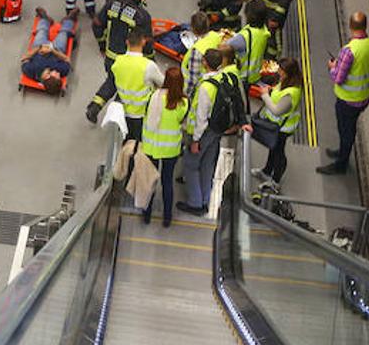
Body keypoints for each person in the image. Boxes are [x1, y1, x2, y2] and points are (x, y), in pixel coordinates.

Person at [178, 48, 248, 215]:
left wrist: (195, 141)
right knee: (207, 165)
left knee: (191, 165)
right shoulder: (224, 77)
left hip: (204, 132)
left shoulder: (205, 87)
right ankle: (205, 199)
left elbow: (201, 117)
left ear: (205, 63)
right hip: (217, 129)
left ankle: (195, 203)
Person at [318, 12, 369, 175]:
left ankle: (341, 164)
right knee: (350, 128)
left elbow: (338, 79)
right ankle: (342, 152)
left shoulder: (349, 51)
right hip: (364, 97)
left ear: (350, 26)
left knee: (345, 130)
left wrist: (332, 67)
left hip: (347, 100)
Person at [86, 28, 157, 143]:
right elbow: (162, 82)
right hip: (140, 112)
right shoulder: (148, 65)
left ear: (127, 42)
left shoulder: (118, 62)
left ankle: (96, 104)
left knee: (113, 82)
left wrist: (102, 45)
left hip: (122, 110)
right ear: (143, 41)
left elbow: (98, 23)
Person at [140, 66, 190, 227]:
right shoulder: (183, 103)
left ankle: (146, 213)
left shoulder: (153, 96)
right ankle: (167, 217)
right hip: (170, 149)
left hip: (151, 147)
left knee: (150, 181)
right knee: (167, 182)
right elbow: (181, 120)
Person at [252, 57, 303, 185]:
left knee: (278, 152)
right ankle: (267, 171)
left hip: (282, 128)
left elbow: (276, 110)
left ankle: (275, 181)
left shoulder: (291, 92)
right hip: (277, 125)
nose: (278, 71)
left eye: (281, 70)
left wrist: (264, 95)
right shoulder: (286, 81)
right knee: (273, 148)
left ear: (288, 73)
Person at [94, 0, 154, 69]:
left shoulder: (111, 4)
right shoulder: (142, 16)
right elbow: (147, 44)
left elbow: (96, 24)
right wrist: (151, 61)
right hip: (128, 65)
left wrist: (102, 45)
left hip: (110, 60)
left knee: (111, 81)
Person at [20, 8, 74, 95]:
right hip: (57, 49)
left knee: (41, 31)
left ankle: (45, 19)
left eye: (56, 75)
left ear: (47, 76)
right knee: (64, 33)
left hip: (39, 47)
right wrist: (53, 51)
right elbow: (67, 59)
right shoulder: (62, 70)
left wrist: (39, 48)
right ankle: (69, 19)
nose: (58, 73)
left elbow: (24, 58)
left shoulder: (31, 70)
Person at [226, 2, 278, 89]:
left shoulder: (244, 37)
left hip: (241, 79)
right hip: (255, 77)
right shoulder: (263, 31)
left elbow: (224, 47)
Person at [180, 11, 224, 99]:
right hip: (212, 84)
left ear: (193, 28)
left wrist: (184, 97)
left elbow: (192, 79)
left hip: (198, 91)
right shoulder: (215, 36)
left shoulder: (197, 50)